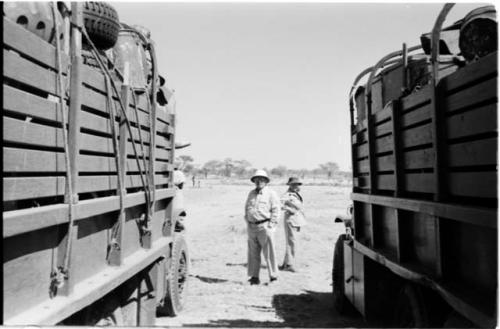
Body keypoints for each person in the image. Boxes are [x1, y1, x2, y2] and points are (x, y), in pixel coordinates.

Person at [244, 169, 280, 285]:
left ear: (266, 181)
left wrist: (271, 225)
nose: (259, 181)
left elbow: (276, 210)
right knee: (253, 254)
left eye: (261, 179)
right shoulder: (251, 193)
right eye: (256, 179)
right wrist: (248, 221)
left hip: (265, 226)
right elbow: (247, 208)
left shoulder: (271, 194)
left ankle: (273, 277)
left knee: (269, 253)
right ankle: (254, 277)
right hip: (252, 227)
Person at [279, 177, 307, 272]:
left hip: (297, 220)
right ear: (290, 185)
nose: (296, 186)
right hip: (291, 220)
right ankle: (291, 265)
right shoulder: (287, 195)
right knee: (292, 242)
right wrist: (290, 209)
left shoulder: (296, 195)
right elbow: (280, 205)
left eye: (297, 184)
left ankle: (286, 264)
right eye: (294, 184)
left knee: (292, 242)